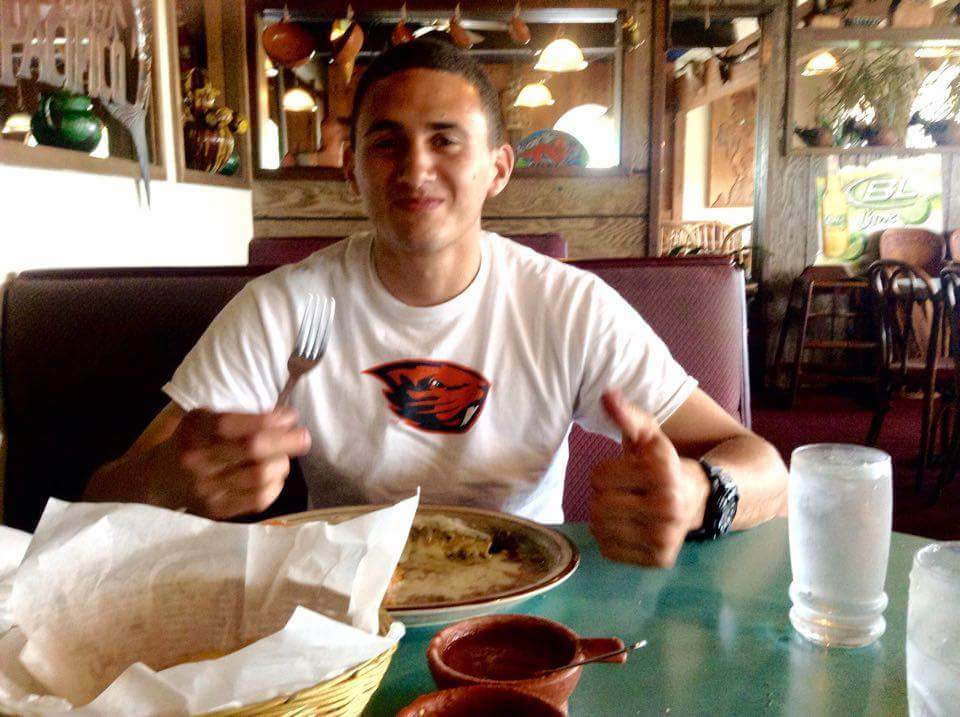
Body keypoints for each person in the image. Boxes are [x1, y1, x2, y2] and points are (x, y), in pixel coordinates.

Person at [85, 38, 787, 567]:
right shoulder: (286, 307)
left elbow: (766, 469)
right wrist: (172, 479)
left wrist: (697, 494)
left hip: (524, 596)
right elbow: (99, 501)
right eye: (386, 143)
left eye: (445, 141)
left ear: (498, 169)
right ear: (353, 171)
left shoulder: (566, 306)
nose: (415, 167)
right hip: (340, 607)